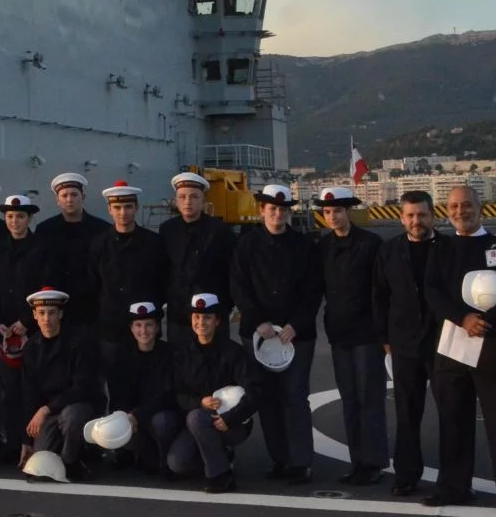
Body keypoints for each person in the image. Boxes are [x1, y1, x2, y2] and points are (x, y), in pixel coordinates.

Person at [423, 185, 496, 516]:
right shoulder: (439, 248)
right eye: (455, 206)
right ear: (447, 211)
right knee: (453, 420)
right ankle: (454, 487)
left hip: (492, 344)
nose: (461, 211)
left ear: (479, 207)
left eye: (467, 205)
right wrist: (463, 318)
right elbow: (432, 291)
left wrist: (486, 319)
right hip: (452, 346)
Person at [230, 182, 323, 485]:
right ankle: (280, 459)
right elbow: (239, 286)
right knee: (266, 397)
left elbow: (313, 290)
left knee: (295, 397)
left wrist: (296, 323)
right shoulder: (246, 244)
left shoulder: (304, 245)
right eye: (272, 208)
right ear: (262, 210)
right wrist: (257, 321)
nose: (278, 214)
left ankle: (300, 462)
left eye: (283, 209)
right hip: (259, 334)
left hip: (296, 334)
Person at [314, 186, 386, 486]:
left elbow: (382, 291)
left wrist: (385, 332)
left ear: (348, 212)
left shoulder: (371, 244)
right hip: (340, 333)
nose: (332, 217)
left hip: (367, 332)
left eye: (337, 211)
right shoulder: (323, 246)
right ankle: (358, 461)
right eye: (328, 212)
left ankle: (374, 462)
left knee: (370, 399)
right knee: (349, 399)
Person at [373, 189, 441, 497]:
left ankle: (454, 476)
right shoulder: (389, 252)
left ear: (433, 216)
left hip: (443, 345)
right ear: (402, 219)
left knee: (452, 414)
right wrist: (385, 339)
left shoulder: (448, 248)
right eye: (411, 215)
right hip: (404, 345)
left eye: (422, 214)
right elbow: (379, 297)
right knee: (407, 414)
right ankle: (406, 474)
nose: (417, 220)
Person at [159, 293, 259, 493]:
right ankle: (220, 456)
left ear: (218, 321)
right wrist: (199, 402)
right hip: (197, 421)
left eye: (207, 317)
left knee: (196, 417)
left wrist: (230, 418)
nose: (201, 322)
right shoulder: (182, 354)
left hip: (232, 424)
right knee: (177, 464)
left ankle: (220, 476)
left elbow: (256, 391)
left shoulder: (234, 353)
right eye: (196, 317)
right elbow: (175, 394)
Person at [0, 193, 50, 461]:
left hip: (32, 332)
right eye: (9, 216)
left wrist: (26, 320)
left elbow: (45, 289)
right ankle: (12, 443)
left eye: (20, 216)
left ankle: (33, 441)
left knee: (31, 388)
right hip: (3, 333)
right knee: (8, 391)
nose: (14, 221)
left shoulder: (41, 249)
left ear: (29, 218)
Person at [17, 285, 102, 480]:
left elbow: (83, 387)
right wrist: (26, 441)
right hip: (49, 413)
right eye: (42, 313)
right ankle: (60, 457)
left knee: (72, 417)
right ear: (35, 316)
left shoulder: (80, 342)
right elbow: (28, 395)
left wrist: (46, 409)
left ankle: (73, 463)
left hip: (78, 406)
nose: (47, 319)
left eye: (52, 313)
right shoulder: (31, 348)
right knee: (41, 458)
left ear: (61, 314)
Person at [90, 180, 169, 380]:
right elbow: (93, 283)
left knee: (150, 380)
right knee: (116, 384)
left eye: (127, 207)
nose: (122, 212)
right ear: (109, 209)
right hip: (111, 327)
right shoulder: (99, 244)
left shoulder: (153, 243)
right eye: (117, 207)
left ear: (136, 208)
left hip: (145, 325)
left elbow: (163, 280)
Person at [159, 171, 235, 344]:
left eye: (194, 197)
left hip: (211, 315)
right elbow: (162, 270)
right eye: (182, 197)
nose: (188, 202)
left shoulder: (220, 231)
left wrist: (225, 306)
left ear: (203, 200)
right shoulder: (167, 230)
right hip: (179, 316)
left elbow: (232, 271)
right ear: (176, 200)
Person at [107, 300, 174, 474]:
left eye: (149, 325)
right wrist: (126, 417)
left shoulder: (169, 354)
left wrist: (137, 415)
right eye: (138, 325)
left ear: (158, 328)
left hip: (157, 417)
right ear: (131, 328)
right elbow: (117, 395)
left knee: (163, 422)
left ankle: (164, 459)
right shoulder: (121, 356)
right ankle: (129, 452)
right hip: (132, 419)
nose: (143, 331)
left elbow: (167, 396)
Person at [34, 173, 108, 327]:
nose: (69, 199)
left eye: (74, 194)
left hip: (91, 305)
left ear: (83, 197)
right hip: (56, 305)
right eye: (64, 195)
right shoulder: (45, 230)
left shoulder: (102, 229)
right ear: (58, 200)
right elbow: (39, 268)